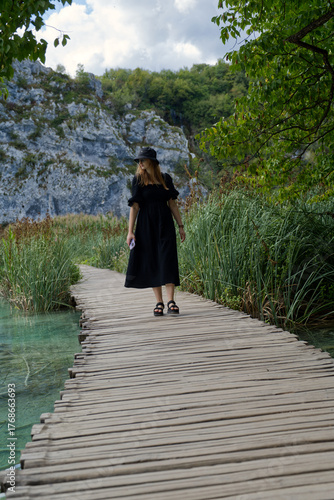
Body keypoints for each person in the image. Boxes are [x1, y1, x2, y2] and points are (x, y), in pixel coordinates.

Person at [124, 146, 186, 316]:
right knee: (152, 260)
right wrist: (130, 232)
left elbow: (172, 204)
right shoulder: (138, 180)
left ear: (151, 161)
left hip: (165, 222)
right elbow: (135, 206)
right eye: (139, 160)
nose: (141, 163)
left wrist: (180, 226)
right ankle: (159, 302)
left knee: (167, 258)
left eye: (143, 160)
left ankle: (171, 300)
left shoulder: (165, 178)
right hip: (146, 224)